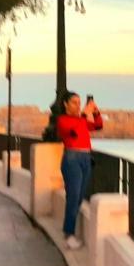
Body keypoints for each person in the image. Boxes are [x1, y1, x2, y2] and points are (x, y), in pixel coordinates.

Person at [56, 90, 103, 249]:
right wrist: (83, 114)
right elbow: (72, 132)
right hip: (72, 159)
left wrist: (95, 112)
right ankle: (69, 234)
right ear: (65, 104)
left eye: (79, 102)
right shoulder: (63, 120)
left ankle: (69, 230)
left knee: (80, 196)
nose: (78, 105)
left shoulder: (80, 120)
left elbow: (98, 126)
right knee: (73, 196)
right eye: (74, 102)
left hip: (85, 158)